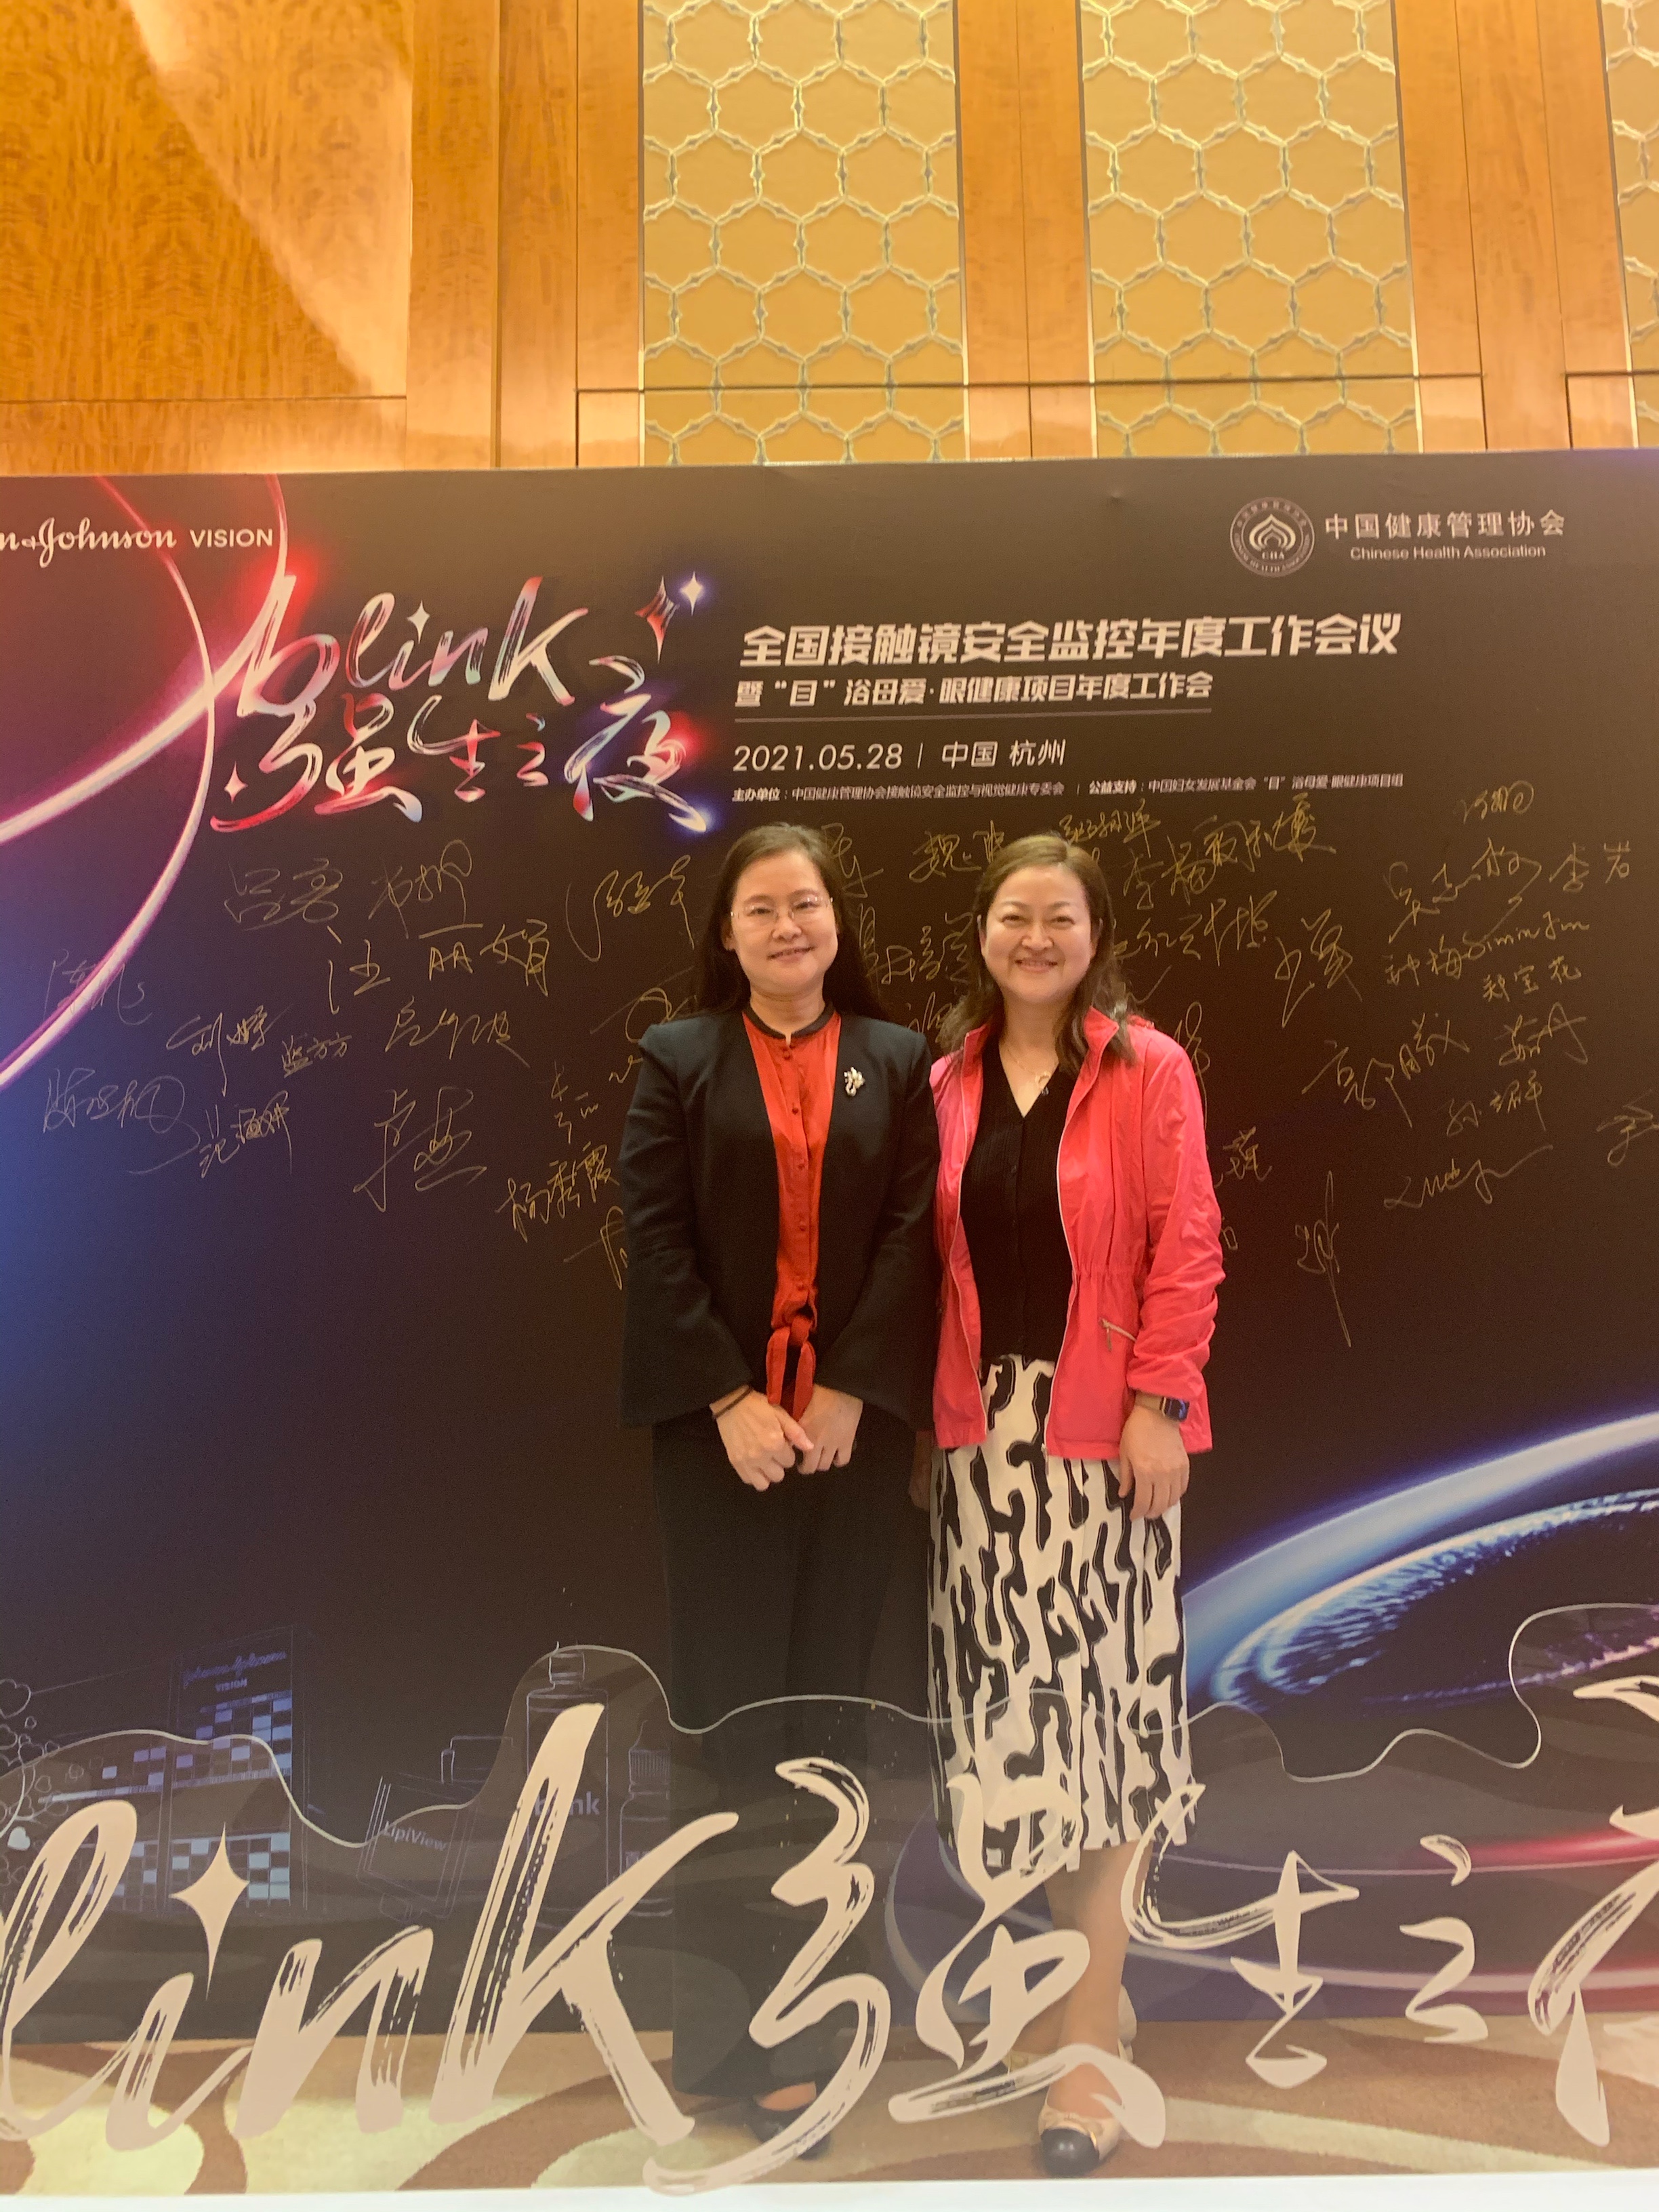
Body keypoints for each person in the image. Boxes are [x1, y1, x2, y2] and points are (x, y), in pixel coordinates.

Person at [619, 821, 938, 2141]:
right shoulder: (678, 1057)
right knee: (731, 1731)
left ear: (835, 922)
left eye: (805, 904)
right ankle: (726, 2038)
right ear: (728, 933)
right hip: (722, 1444)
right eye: (761, 908)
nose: (787, 927)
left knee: (833, 1734)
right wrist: (730, 1400)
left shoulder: (899, 1060)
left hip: (852, 1440)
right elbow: (653, 1236)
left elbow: (919, 1232)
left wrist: (854, 1388)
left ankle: (820, 2021)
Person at [918, 831, 1223, 2177]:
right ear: (984, 933)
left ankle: (1088, 2044)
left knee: (1105, 1737)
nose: (1035, 938)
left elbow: (1187, 1243)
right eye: (1014, 916)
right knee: (1022, 1743)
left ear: (1095, 937)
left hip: (1104, 1442)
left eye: (1060, 917)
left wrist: (1162, 1400)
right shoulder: (943, 1081)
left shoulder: (1149, 1068)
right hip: (980, 1457)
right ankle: (1085, 1995)